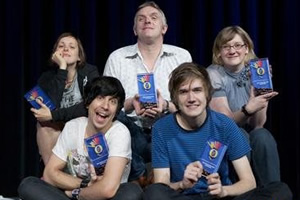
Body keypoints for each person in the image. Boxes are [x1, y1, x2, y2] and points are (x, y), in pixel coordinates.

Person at [143, 62, 292, 200]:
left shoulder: (224, 124)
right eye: (183, 92)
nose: (191, 98)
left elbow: (248, 182)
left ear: (207, 95)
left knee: (280, 190)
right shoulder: (161, 128)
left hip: (220, 196)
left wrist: (223, 191)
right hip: (185, 197)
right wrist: (182, 184)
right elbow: (161, 186)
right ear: (175, 98)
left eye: (197, 90)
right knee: (154, 192)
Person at [103, 1, 192, 184]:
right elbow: (104, 103)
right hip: (130, 131)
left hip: (169, 127)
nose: (147, 21)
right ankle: (140, 175)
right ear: (135, 30)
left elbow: (192, 101)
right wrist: (129, 105)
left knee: (189, 115)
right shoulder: (117, 57)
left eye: (153, 18)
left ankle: (150, 176)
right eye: (141, 19)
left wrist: (166, 105)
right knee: (112, 117)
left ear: (164, 28)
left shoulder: (182, 57)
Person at [18, 76, 143, 200]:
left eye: (113, 101)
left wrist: (75, 194)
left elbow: (107, 189)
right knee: (28, 184)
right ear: (88, 103)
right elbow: (50, 174)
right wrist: (85, 184)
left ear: (116, 111)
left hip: (105, 198)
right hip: (75, 192)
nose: (105, 106)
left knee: (131, 192)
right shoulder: (73, 127)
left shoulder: (119, 132)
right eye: (100, 98)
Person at [206, 26, 280, 186]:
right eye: (226, 46)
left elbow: (258, 124)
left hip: (248, 131)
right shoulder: (213, 74)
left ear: (246, 48)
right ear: (219, 52)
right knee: (240, 135)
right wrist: (248, 108)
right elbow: (225, 124)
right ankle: (242, 192)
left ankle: (273, 193)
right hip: (219, 135)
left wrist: (262, 92)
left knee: (262, 136)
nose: (232, 50)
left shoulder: (256, 71)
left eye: (238, 45)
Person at [30, 32, 99, 165]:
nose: (66, 49)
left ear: (79, 56)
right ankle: (51, 175)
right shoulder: (46, 79)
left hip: (84, 126)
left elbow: (90, 106)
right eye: (61, 46)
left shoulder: (90, 73)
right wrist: (62, 68)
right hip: (58, 128)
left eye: (72, 47)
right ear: (55, 54)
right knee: (44, 126)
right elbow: (48, 107)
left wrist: (53, 115)